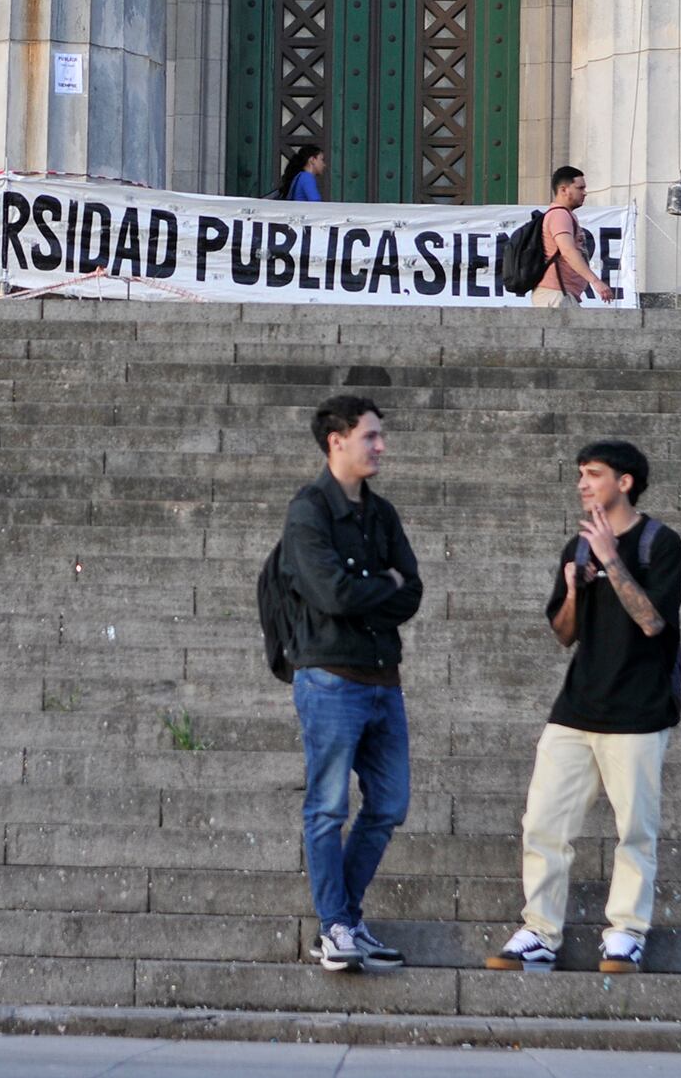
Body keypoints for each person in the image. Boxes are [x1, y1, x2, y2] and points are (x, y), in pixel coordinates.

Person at [486, 440, 681, 976]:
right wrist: (575, 589)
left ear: (624, 482)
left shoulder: (659, 543)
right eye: (580, 473)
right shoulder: (575, 548)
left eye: (593, 474)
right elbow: (563, 634)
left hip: (639, 710)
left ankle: (626, 933)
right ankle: (540, 932)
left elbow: (652, 622)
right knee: (543, 823)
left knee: (635, 830)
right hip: (576, 707)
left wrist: (611, 560)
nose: (582, 483)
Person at [278, 395, 424, 973]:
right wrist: (378, 585)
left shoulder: (382, 514)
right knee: (327, 808)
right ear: (336, 440)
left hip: (383, 680)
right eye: (370, 436)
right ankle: (336, 926)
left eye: (379, 436)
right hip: (330, 680)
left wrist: (373, 588)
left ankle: (345, 919)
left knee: (389, 804)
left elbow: (412, 589)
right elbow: (331, 594)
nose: (380, 445)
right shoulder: (309, 512)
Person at [532, 165, 614, 307]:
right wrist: (596, 282)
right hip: (555, 294)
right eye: (580, 188)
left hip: (560, 294)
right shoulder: (559, 215)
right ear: (564, 190)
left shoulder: (564, 215)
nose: (585, 193)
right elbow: (568, 251)